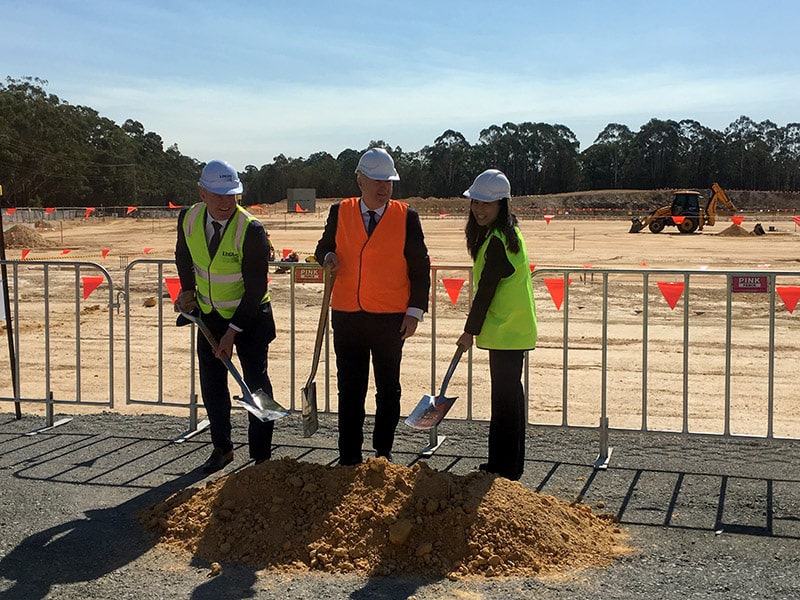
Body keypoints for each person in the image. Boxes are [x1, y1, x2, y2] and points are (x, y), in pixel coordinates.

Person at [315, 148, 431, 465]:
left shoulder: (407, 216)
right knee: (350, 391)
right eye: (377, 180)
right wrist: (326, 257)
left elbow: (420, 268)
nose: (384, 187)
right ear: (360, 180)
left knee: (388, 390)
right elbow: (324, 246)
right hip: (347, 316)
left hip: (390, 319)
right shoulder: (340, 211)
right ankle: (349, 455)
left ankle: (382, 453)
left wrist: (415, 311)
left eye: (389, 181)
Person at [175, 159, 277, 474]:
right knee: (213, 384)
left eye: (231, 195)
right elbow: (183, 254)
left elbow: (255, 288)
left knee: (256, 385)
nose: (225, 203)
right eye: (218, 195)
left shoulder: (251, 229)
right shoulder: (189, 218)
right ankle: (222, 448)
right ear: (202, 193)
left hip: (251, 318)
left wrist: (232, 333)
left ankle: (261, 458)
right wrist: (187, 291)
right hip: (209, 317)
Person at [456, 169, 537, 481]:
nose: (479, 208)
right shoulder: (508, 234)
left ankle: (501, 468)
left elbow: (486, 292)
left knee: (504, 403)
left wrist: (468, 332)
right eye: (476, 201)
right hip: (513, 330)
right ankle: (510, 467)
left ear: (503, 204)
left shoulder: (497, 241)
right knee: (510, 399)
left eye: (486, 203)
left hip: (507, 331)